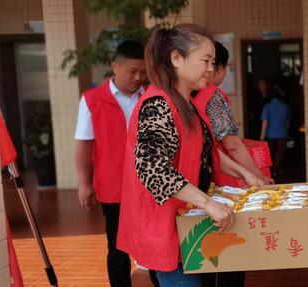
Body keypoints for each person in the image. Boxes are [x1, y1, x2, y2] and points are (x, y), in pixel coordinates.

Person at [116, 24, 261, 287]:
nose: (210, 68)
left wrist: (245, 173)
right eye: (205, 60)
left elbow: (205, 152)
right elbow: (152, 168)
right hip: (166, 227)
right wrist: (207, 204)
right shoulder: (158, 103)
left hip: (186, 222)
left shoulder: (186, 101)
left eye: (213, 62)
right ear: (176, 58)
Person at [192, 42, 270, 287]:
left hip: (193, 189)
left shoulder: (179, 96)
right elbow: (233, 145)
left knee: (201, 253)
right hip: (221, 186)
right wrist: (259, 177)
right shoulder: (212, 95)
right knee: (231, 253)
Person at [74, 40, 146, 287]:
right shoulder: (92, 100)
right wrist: (84, 182)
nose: (138, 77)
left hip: (149, 186)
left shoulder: (151, 96)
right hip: (113, 188)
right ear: (115, 66)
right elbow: (83, 144)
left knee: (153, 244)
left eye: (143, 71)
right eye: (132, 71)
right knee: (117, 248)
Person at [260, 86, 291, 177]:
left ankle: (270, 172)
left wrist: (262, 135)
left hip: (270, 135)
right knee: (279, 154)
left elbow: (265, 122)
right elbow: (287, 122)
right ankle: (275, 170)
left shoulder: (267, 107)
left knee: (269, 154)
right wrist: (286, 131)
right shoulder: (285, 107)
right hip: (282, 134)